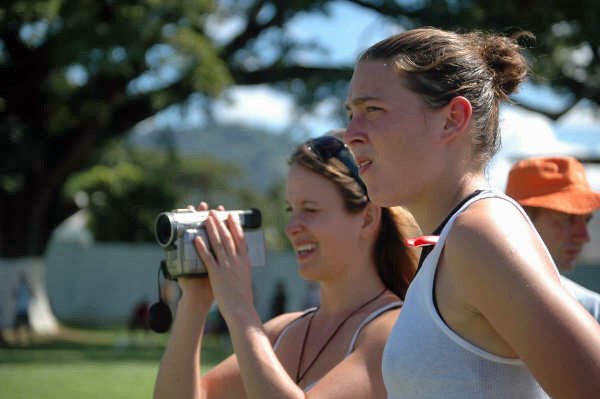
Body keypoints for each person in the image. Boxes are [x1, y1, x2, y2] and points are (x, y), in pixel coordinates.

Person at [343, 28, 600, 398]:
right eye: (351, 114)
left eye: (373, 110)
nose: (351, 133)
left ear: (452, 119)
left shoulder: (479, 234)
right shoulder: (452, 238)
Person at [153, 134, 419, 398]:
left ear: (367, 218)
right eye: (291, 210)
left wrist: (239, 310)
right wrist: (196, 301)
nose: (291, 228)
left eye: (310, 210)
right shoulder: (284, 331)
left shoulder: (394, 332)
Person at [505, 156, 600, 321]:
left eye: (586, 220)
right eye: (568, 218)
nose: (583, 237)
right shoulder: (462, 295)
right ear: (520, 217)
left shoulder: (591, 310)